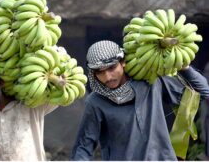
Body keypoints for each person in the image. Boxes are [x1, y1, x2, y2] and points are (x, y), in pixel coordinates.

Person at [71, 40, 209, 161]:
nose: (107, 77)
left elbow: (202, 92)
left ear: (123, 62)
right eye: (99, 72)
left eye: (112, 68)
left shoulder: (151, 83)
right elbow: (83, 147)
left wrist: (183, 66)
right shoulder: (95, 102)